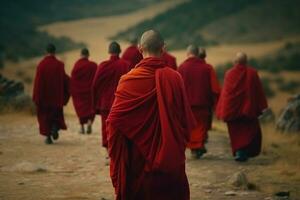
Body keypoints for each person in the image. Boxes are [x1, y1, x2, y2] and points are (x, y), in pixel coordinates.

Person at [107, 30, 195, 200]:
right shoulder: (175, 78)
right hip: (169, 159)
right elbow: (184, 121)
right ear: (163, 48)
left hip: (138, 160)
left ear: (140, 49)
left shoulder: (127, 80)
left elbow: (114, 124)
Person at [216, 52, 268, 162]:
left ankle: (240, 151)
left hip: (233, 110)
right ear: (246, 62)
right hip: (248, 110)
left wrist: (223, 108)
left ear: (235, 62)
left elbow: (226, 94)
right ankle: (242, 152)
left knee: (236, 133)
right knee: (249, 131)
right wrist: (259, 105)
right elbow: (258, 91)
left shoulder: (229, 73)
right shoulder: (252, 73)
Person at [178, 45, 220, 159]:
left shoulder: (181, 67)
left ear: (187, 54)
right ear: (197, 54)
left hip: (187, 106)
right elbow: (215, 88)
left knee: (190, 127)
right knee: (201, 126)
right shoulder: (208, 68)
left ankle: (195, 147)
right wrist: (216, 103)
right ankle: (198, 146)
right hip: (203, 104)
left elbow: (177, 88)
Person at [92, 41, 130, 148]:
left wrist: (96, 101)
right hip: (120, 103)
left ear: (109, 52)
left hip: (105, 103)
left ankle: (108, 149)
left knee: (106, 127)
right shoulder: (125, 65)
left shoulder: (103, 65)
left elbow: (95, 84)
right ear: (120, 51)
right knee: (120, 128)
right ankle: (118, 149)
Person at [33, 44, 70, 144]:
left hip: (44, 98)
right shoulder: (59, 65)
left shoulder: (41, 65)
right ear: (55, 51)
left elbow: (38, 82)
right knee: (56, 116)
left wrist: (36, 96)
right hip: (56, 98)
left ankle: (48, 136)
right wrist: (68, 89)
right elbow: (64, 80)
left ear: (46, 51)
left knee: (45, 117)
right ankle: (55, 127)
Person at [70, 48, 97, 134]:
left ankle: (82, 127)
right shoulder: (93, 65)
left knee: (81, 109)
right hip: (90, 92)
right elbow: (96, 79)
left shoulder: (77, 65)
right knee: (90, 108)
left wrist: (73, 90)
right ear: (88, 55)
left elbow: (73, 79)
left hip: (79, 93)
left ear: (81, 55)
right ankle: (89, 122)